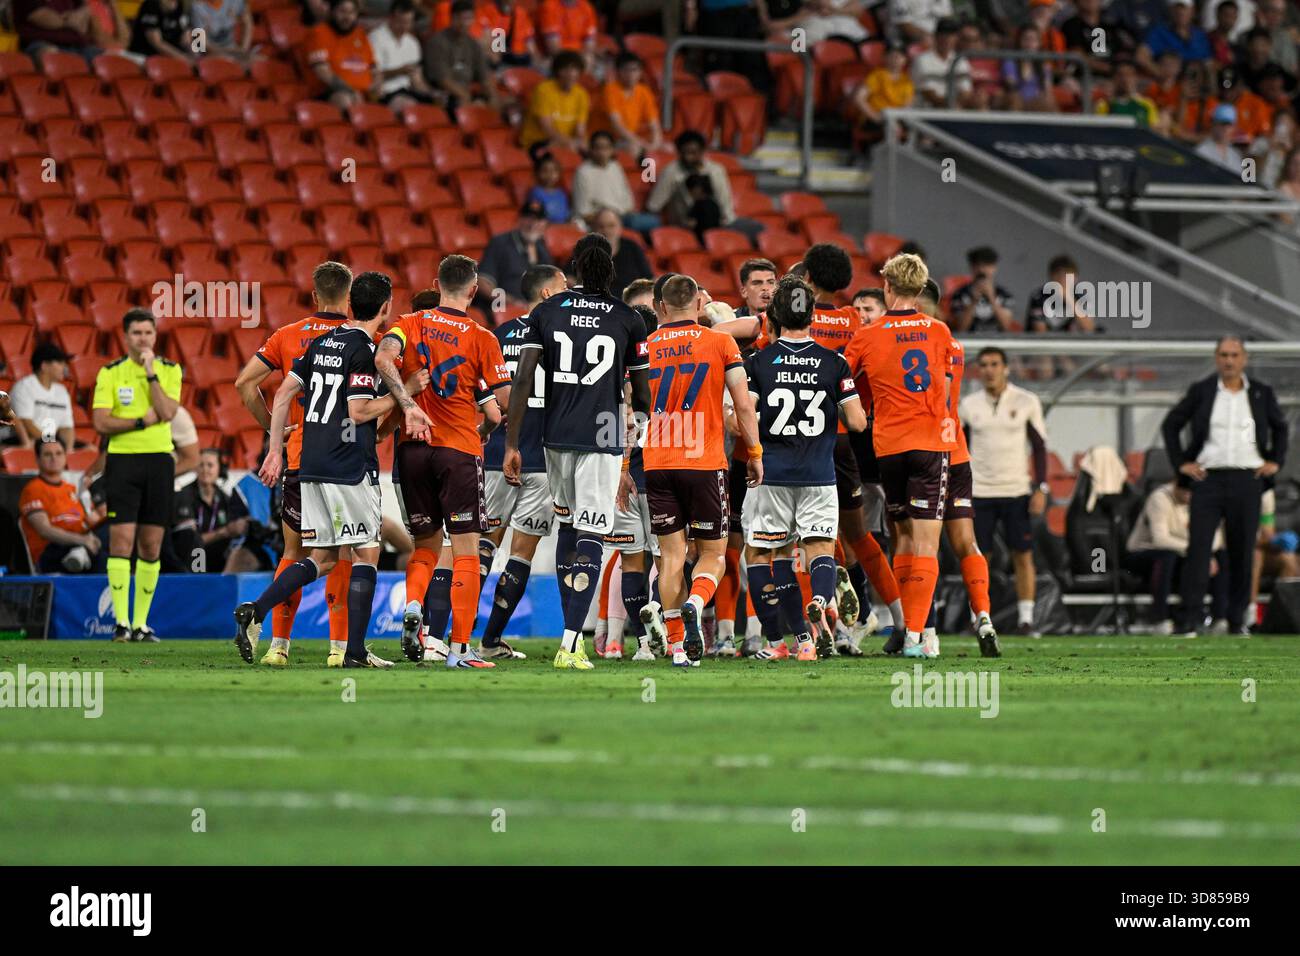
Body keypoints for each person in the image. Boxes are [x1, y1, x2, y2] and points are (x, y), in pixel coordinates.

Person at [236, 272, 404, 670]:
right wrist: (405, 394)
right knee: (366, 553)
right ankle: (355, 652)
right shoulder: (366, 348)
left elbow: (281, 394)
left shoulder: (320, 342)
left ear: (350, 305)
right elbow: (359, 411)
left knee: (323, 557)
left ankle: (255, 611)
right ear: (385, 308)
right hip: (348, 465)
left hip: (308, 463)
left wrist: (275, 449)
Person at [502, 236, 652, 670]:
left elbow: (524, 380)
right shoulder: (628, 318)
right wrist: (634, 434)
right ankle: (571, 643)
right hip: (601, 440)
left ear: (574, 272)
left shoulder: (545, 312)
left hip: (553, 438)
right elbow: (641, 394)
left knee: (569, 527)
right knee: (592, 535)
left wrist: (513, 444)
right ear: (611, 274)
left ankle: (572, 641)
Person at [375, 255, 511, 669]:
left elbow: (383, 358)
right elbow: (503, 404)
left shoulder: (410, 323)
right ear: (472, 291)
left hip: (412, 450)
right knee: (467, 550)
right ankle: (459, 650)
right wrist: (486, 427)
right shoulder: (482, 336)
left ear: (436, 284)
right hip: (458, 449)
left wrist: (408, 405)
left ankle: (414, 604)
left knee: (425, 547)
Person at [637, 274, 761, 666]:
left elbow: (631, 410)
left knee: (671, 555)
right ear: (698, 306)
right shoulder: (721, 342)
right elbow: (743, 404)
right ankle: (695, 602)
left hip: (657, 462)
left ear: (659, 307)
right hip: (705, 463)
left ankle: (677, 646)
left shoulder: (645, 347)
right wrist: (754, 451)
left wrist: (626, 464)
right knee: (712, 555)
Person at [235, 262, 356, 660]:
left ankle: (278, 647)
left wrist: (276, 428)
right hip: (342, 460)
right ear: (350, 296)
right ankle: (339, 649)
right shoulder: (359, 338)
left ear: (313, 295)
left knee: (294, 552)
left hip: (300, 457)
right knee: (340, 552)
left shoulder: (288, 336)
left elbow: (245, 383)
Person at [744, 276, 867, 661]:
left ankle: (794, 641)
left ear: (774, 316)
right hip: (819, 474)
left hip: (773, 474)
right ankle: (819, 599)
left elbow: (740, 416)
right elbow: (858, 422)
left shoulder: (759, 362)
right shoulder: (834, 362)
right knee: (819, 550)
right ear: (812, 314)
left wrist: (755, 445)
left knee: (769, 553)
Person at [1161, 335, 1287, 636]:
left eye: (1234, 355)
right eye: (1223, 355)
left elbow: (1281, 427)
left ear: (1244, 359)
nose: (1228, 361)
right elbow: (1171, 425)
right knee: (1199, 548)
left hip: (1248, 478)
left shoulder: (1260, 393)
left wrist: (1275, 461)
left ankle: (1235, 619)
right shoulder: (1203, 391)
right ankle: (1190, 618)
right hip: (1209, 478)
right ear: (1216, 358)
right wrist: (1181, 463)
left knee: (1243, 549)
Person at [476, 264, 567, 660]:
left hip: (497, 454)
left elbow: (486, 399)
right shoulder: (564, 337)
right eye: (564, 288)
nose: (569, 294)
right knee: (521, 554)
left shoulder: (498, 336)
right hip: (543, 460)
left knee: (481, 547)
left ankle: (446, 636)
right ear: (547, 294)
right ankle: (491, 641)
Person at [92, 309, 182, 644]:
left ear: (155, 335)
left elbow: (169, 412)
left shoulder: (170, 370)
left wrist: (150, 375)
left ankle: (141, 625)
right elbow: (101, 423)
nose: (143, 338)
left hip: (159, 461)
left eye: (148, 332)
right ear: (125, 336)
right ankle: (121, 623)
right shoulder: (110, 373)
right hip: (123, 462)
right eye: (136, 333)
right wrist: (141, 422)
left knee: (151, 544)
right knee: (121, 541)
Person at [959, 346, 1049, 637]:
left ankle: (1026, 620)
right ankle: (980, 617)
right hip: (980, 491)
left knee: (1022, 555)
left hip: (1016, 490)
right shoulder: (969, 405)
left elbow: (1039, 447)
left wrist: (1041, 487)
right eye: (983, 364)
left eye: (995, 364)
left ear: (1006, 368)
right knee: (978, 557)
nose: (989, 370)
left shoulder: (1026, 401)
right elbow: (960, 448)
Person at [1126, 479, 1228, 634]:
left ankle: (1217, 618)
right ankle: (1160, 619)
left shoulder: (1203, 500)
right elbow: (1160, 539)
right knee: (1167, 557)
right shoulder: (1159, 498)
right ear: (1175, 486)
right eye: (1185, 492)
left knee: (1221, 557)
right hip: (1143, 552)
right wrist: (1198, 552)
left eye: (1192, 493)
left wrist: (1204, 554)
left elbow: (1216, 537)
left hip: (1183, 553)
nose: (1188, 497)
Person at [646, 130, 761, 239]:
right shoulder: (671, 172)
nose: (688, 157)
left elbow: (725, 206)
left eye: (692, 153)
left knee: (759, 229)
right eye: (684, 153)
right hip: (687, 226)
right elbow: (654, 205)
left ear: (702, 152)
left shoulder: (716, 171)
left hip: (719, 224)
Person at [19, 437, 106, 574]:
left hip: (78, 544)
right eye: (47, 454)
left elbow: (86, 522)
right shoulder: (33, 489)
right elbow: (44, 530)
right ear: (37, 459)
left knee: (112, 527)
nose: (54, 458)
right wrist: (82, 540)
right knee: (100, 552)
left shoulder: (70, 488)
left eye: (59, 453)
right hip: (50, 551)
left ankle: (83, 553)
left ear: (65, 457)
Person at [172, 449, 262, 575]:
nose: (205, 470)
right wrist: (225, 532)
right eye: (201, 465)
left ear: (220, 469)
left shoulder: (225, 498)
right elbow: (190, 541)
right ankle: (197, 583)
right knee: (194, 545)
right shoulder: (184, 496)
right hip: (191, 557)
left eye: (210, 465)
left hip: (217, 555)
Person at [572, 131, 658, 232]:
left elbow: (627, 198)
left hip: (624, 216)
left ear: (612, 150)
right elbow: (583, 212)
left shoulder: (616, 167)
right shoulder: (583, 172)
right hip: (602, 220)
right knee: (650, 222)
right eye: (598, 148)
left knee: (654, 221)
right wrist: (609, 219)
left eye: (606, 148)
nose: (602, 152)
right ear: (591, 149)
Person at [425, 0, 500, 114]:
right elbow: (442, 80)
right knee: (465, 105)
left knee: (506, 105)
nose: (464, 23)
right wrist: (465, 96)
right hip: (445, 94)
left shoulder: (473, 44)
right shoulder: (437, 42)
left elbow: (484, 75)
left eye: (468, 19)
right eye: (460, 18)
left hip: (467, 92)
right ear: (452, 19)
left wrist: (493, 96)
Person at [306, 0, 376, 112]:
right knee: (345, 100)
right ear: (332, 12)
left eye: (352, 13)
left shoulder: (360, 34)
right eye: (342, 12)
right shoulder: (319, 33)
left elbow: (373, 67)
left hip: (364, 94)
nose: (347, 17)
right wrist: (350, 90)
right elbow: (322, 72)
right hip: (331, 93)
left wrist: (377, 84)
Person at [477, 200, 553, 304]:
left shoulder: (542, 248)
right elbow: (482, 282)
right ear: (519, 220)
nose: (533, 224)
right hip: (505, 311)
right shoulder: (500, 243)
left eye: (539, 219)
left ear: (545, 224)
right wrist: (511, 302)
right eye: (528, 218)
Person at [8, 342, 75, 451]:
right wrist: (52, 446)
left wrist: (68, 450)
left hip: (51, 443)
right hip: (22, 442)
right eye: (59, 362)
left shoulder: (62, 392)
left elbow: (67, 427)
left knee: (90, 450)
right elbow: (27, 424)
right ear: (44, 366)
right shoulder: (24, 387)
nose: (65, 367)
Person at [369, 0, 435, 108]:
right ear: (391, 18)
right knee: (409, 106)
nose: (404, 26)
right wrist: (400, 71)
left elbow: (417, 80)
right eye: (400, 22)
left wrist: (431, 93)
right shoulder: (376, 38)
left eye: (408, 22)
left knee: (440, 104)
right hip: (386, 92)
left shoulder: (413, 42)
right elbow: (373, 75)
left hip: (408, 91)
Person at [519, 50, 587, 150]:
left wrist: (581, 143)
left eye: (575, 69)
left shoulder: (582, 94)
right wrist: (569, 142)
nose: (571, 74)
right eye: (566, 69)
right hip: (537, 142)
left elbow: (580, 129)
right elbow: (547, 128)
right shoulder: (543, 90)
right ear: (557, 71)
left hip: (566, 143)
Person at [602, 53, 663, 155]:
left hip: (630, 139)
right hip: (609, 140)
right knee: (634, 148)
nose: (631, 74)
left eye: (634, 70)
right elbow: (617, 126)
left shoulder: (644, 92)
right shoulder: (610, 90)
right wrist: (641, 143)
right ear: (617, 72)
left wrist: (656, 143)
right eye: (626, 70)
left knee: (670, 148)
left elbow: (654, 124)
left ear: (640, 72)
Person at [950, 246, 1016, 334]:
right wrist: (974, 300)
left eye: (986, 265)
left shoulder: (1005, 294)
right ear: (971, 267)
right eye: (977, 265)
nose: (982, 270)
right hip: (969, 341)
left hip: (997, 341)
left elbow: (1006, 326)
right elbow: (960, 328)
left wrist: (991, 298)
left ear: (994, 267)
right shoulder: (960, 294)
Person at [590, 207, 652, 296]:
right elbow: (568, 276)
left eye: (611, 225)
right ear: (594, 229)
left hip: (631, 302)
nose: (606, 231)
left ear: (620, 227)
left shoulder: (632, 247)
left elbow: (649, 278)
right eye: (601, 226)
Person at [15, 0, 99, 59]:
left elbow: (85, 13)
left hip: (79, 46)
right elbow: (38, 16)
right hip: (42, 43)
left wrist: (71, 19)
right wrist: (68, 21)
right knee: (51, 56)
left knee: (109, 57)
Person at [1097, 59, 1160, 126]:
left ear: (1136, 78)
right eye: (1120, 75)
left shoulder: (1147, 104)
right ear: (1114, 78)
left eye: (1129, 75)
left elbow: (1154, 130)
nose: (1125, 79)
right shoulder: (1104, 105)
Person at [191, 0, 254, 65]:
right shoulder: (196, 5)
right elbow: (200, 44)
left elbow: (247, 22)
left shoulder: (236, 1)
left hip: (231, 48)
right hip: (205, 55)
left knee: (258, 62)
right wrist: (228, 53)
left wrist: (243, 49)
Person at [1196, 103, 1246, 169]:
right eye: (1221, 124)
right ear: (1213, 125)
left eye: (1228, 124)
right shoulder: (1202, 151)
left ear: (1234, 127)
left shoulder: (1235, 156)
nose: (1225, 128)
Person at [526, 152, 571, 223]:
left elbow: (566, 215)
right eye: (545, 171)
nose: (550, 175)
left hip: (563, 229)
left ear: (559, 174)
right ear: (537, 173)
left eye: (554, 171)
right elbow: (535, 216)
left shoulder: (562, 194)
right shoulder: (536, 193)